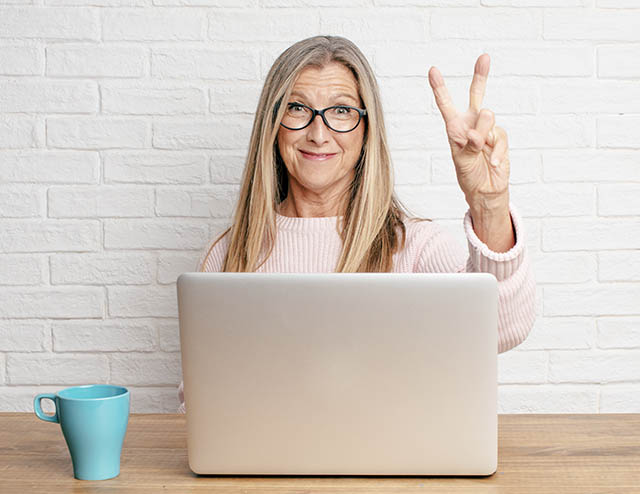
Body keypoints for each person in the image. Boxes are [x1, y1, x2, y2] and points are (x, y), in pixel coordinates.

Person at [177, 35, 536, 413]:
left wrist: (489, 204)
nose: (318, 134)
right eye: (297, 108)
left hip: (391, 469)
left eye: (342, 111)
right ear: (273, 126)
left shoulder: (416, 247)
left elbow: (500, 328)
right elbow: (199, 406)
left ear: (367, 131)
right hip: (261, 470)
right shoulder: (230, 255)